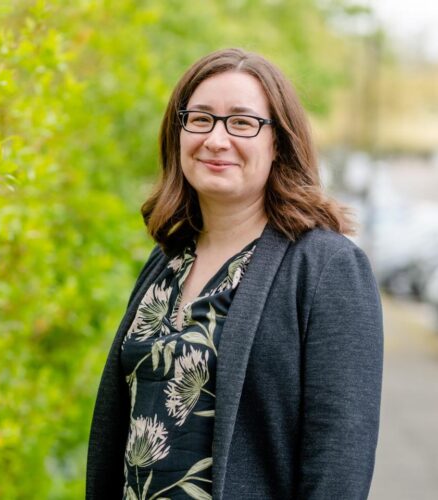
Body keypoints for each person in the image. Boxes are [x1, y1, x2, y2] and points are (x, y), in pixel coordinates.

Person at [86, 48, 383, 500]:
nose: (216, 139)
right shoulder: (165, 263)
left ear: (278, 142)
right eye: (200, 119)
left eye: (242, 123)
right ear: (178, 132)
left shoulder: (326, 268)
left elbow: (339, 464)